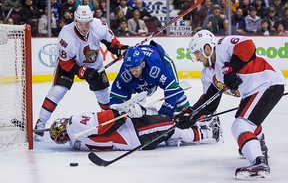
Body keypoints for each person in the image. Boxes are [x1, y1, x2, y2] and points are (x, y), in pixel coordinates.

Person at [174, 30, 286, 180]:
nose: (198, 59)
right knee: (246, 119)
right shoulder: (207, 74)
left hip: (267, 82)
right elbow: (209, 102)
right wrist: (190, 115)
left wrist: (231, 67)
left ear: (207, 48)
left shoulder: (222, 46)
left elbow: (248, 45)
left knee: (241, 124)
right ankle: (259, 146)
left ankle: (259, 164)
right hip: (253, 91)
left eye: (197, 53)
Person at [34, 5, 129, 140]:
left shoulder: (98, 25)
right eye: (81, 23)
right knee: (58, 90)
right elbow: (66, 63)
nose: (84, 27)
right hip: (70, 64)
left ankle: (110, 123)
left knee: (103, 95)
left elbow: (112, 43)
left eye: (87, 23)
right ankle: (41, 122)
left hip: (94, 65)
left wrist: (120, 49)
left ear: (91, 20)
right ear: (75, 21)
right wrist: (83, 71)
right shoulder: (66, 36)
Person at [49, 96, 222, 150]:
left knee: (168, 129)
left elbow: (101, 129)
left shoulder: (76, 143)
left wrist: (121, 111)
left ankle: (205, 126)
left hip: (133, 139)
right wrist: (123, 112)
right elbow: (103, 123)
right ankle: (208, 131)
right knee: (171, 125)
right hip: (134, 133)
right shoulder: (74, 124)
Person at [110, 42, 190, 119]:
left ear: (143, 64)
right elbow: (116, 94)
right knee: (129, 83)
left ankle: (189, 115)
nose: (134, 72)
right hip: (144, 71)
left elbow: (171, 88)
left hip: (162, 60)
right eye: (131, 69)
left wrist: (167, 108)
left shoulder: (154, 67)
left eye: (136, 68)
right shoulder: (125, 71)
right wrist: (114, 111)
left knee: (176, 92)